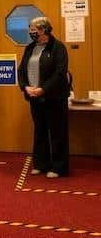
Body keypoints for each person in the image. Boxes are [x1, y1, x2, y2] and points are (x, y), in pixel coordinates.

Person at [18, 17, 70, 178]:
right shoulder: (30, 48)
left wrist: (43, 89)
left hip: (54, 98)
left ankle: (58, 167)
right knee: (39, 131)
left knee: (57, 132)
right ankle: (41, 164)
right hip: (34, 97)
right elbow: (21, 70)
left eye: (34, 29)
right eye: (30, 29)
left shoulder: (58, 47)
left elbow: (60, 73)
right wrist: (25, 87)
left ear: (44, 30)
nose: (31, 32)